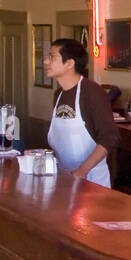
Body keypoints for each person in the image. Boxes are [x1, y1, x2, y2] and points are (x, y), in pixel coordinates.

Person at [43, 37, 119, 187]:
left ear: (70, 63)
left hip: (91, 179)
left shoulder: (92, 92)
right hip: (64, 178)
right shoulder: (58, 94)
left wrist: (83, 170)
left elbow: (110, 137)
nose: (46, 61)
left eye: (52, 57)